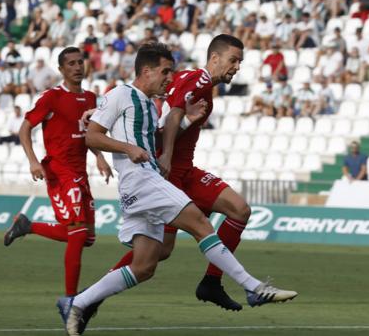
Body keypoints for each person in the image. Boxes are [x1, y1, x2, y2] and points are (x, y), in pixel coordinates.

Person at [58, 42, 297, 336]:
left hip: (143, 183)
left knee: (146, 265)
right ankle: (254, 287)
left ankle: (78, 302)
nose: (170, 78)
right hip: (145, 180)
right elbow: (94, 137)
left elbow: (159, 127)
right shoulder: (127, 92)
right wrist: (131, 147)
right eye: (166, 72)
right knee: (200, 224)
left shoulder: (145, 102)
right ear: (147, 71)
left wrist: (184, 120)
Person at [109, 34, 271, 312]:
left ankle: (212, 282)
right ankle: (92, 295)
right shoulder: (199, 80)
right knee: (157, 253)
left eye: (240, 62)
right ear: (215, 58)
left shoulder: (200, 83)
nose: (237, 67)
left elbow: (171, 115)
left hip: (187, 171)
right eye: (233, 60)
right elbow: (171, 116)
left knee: (239, 210)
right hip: (172, 173)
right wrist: (168, 156)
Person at [2, 47, 113, 299]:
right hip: (59, 171)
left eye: (80, 62)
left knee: (87, 237)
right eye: (71, 64)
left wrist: (99, 157)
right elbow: (25, 129)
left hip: (79, 172)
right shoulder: (51, 97)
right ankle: (71, 299)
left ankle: (27, 226)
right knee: (77, 233)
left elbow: (90, 135)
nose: (77, 67)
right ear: (62, 70)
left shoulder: (90, 99)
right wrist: (33, 161)